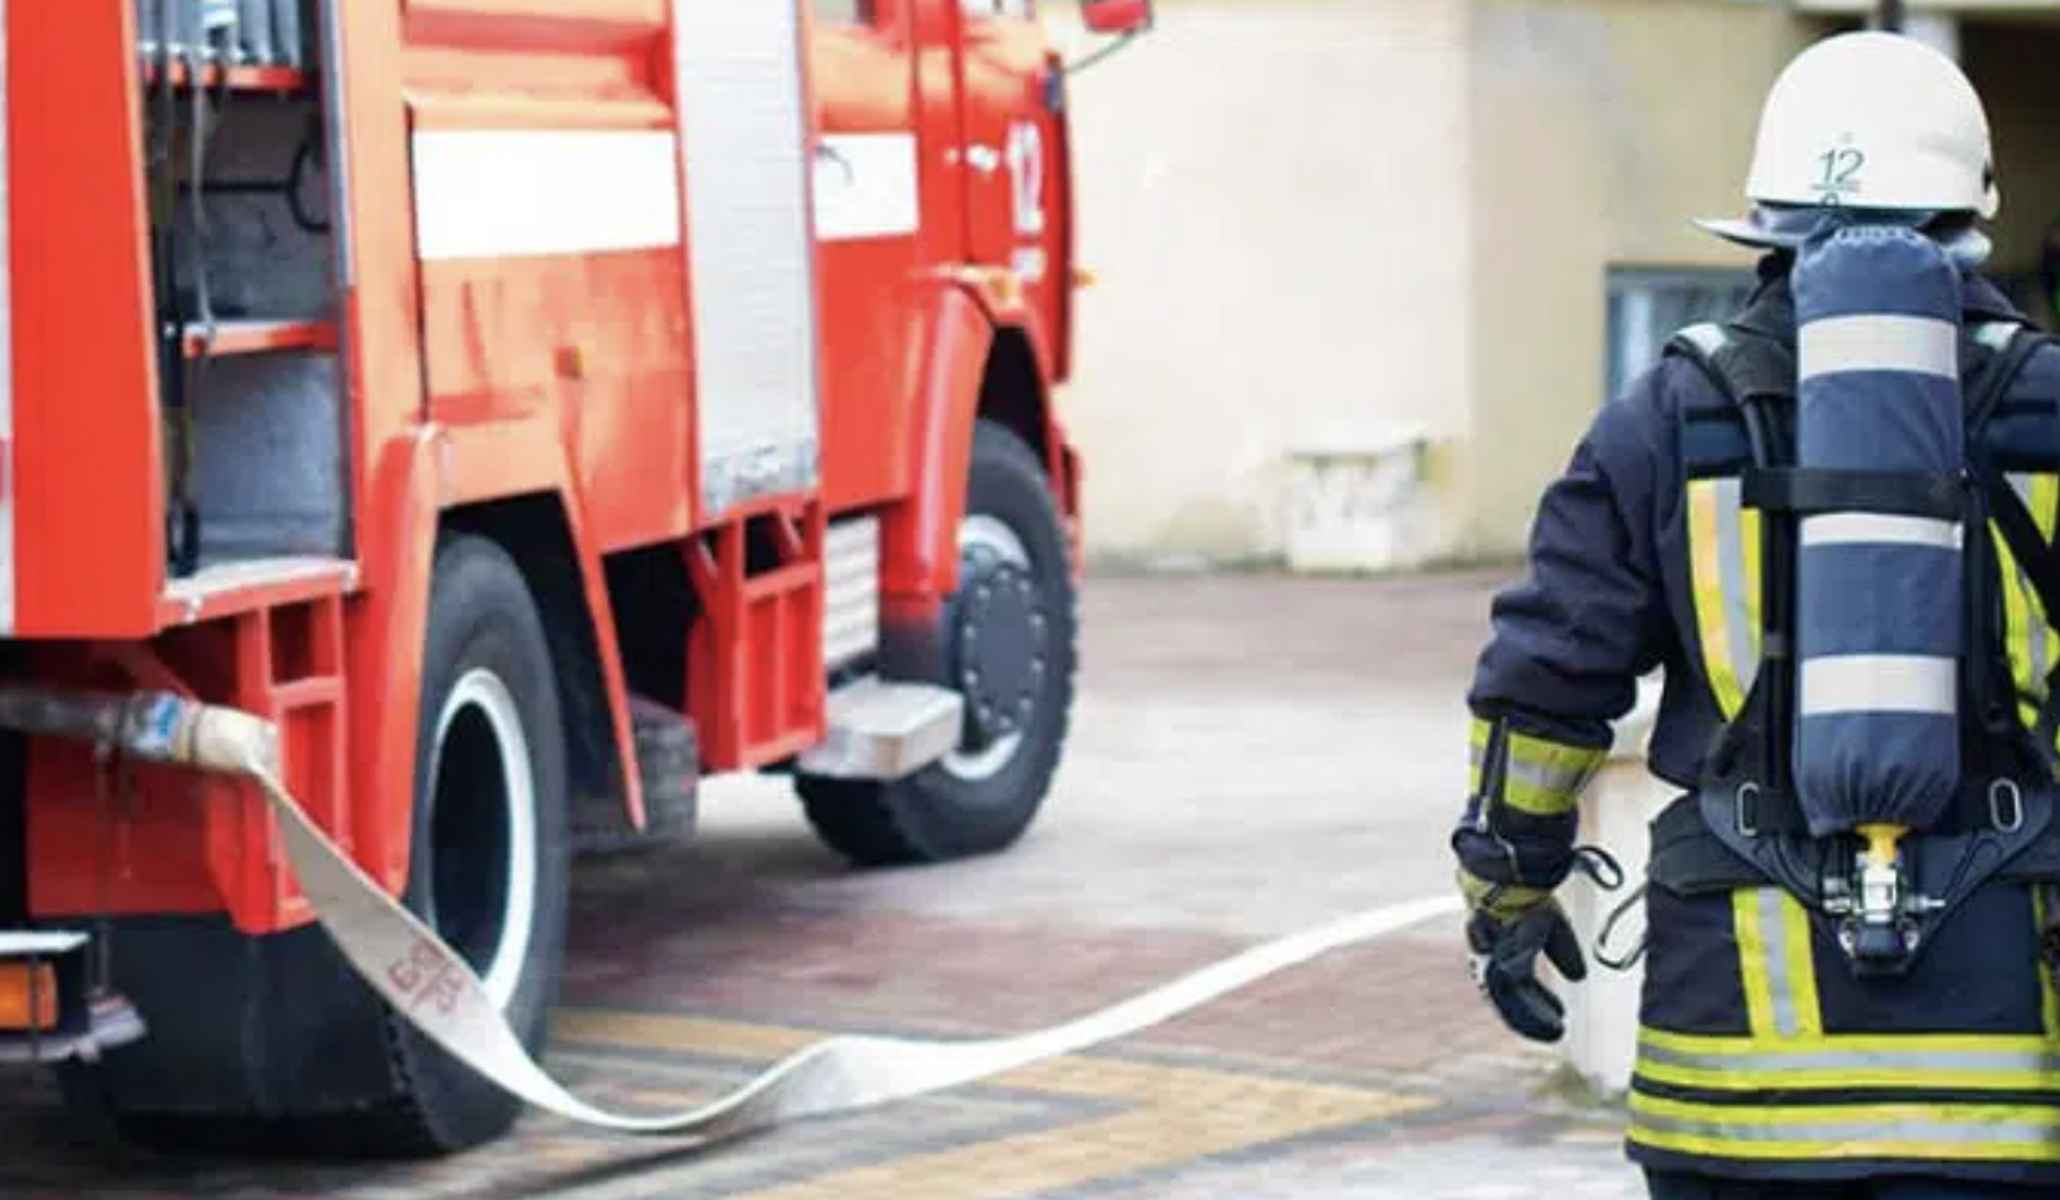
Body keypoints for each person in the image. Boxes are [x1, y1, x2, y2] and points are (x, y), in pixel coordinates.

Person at [1453, 32, 2060, 1199]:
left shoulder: (1668, 414)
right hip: (2007, 1082)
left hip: (1730, 1082)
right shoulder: (2047, 407)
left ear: (1766, 218)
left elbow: (1541, 686)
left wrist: (1505, 898)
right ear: (1969, 208)